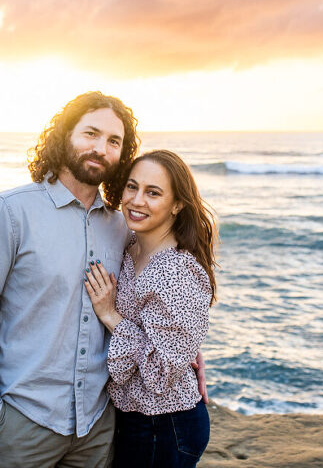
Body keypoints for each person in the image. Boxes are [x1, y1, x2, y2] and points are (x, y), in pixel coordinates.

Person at [0, 93, 206, 467]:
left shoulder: (122, 228)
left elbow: (159, 296)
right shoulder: (8, 214)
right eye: (91, 133)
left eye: (114, 141)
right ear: (64, 134)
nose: (100, 148)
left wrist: (186, 351)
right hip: (22, 423)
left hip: (97, 427)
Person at [83, 150, 217, 467]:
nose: (137, 200)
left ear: (177, 204)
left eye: (153, 192)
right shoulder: (131, 244)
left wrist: (110, 316)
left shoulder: (177, 273)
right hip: (133, 417)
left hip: (166, 425)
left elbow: (160, 375)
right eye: (132, 187)